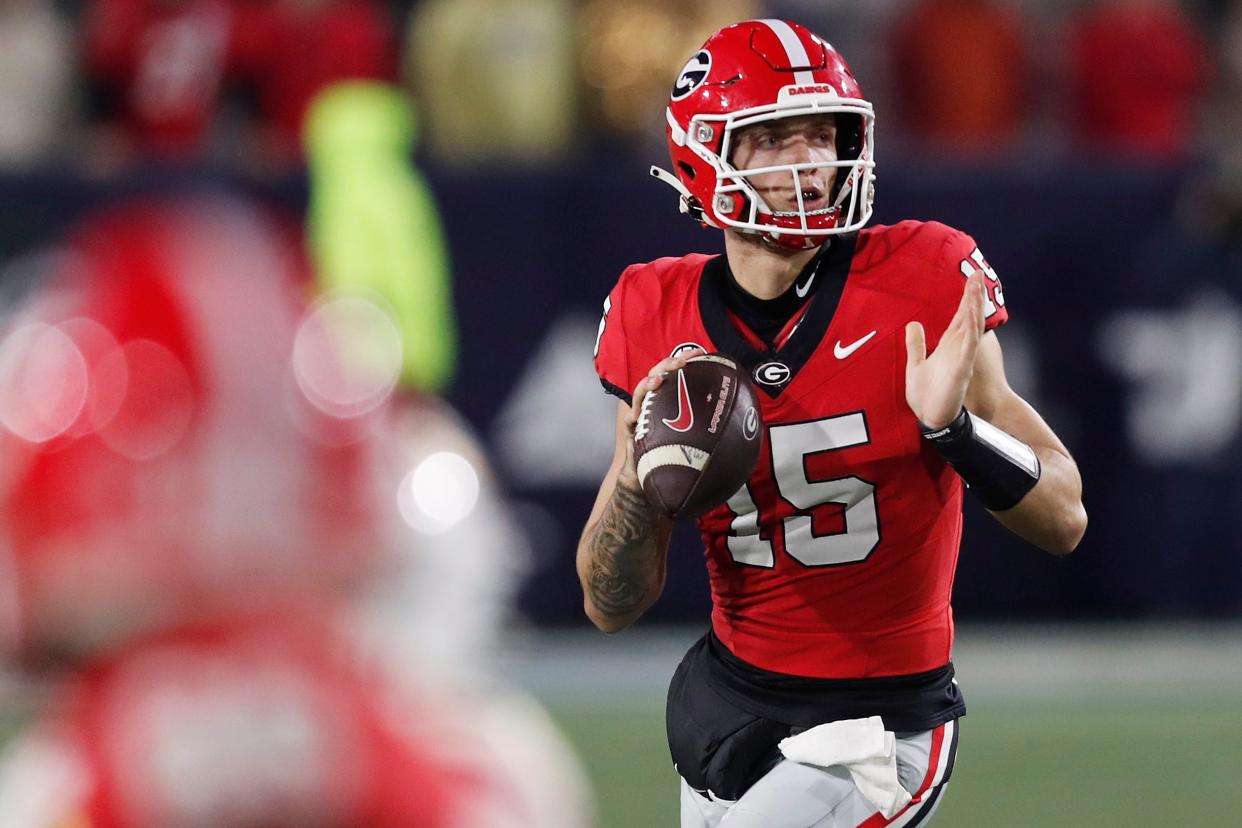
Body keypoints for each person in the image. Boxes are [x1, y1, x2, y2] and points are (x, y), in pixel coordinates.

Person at [579, 19, 1087, 827]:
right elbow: (610, 603)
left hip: (880, 728)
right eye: (776, 138)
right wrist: (646, 481)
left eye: (826, 135)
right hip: (731, 702)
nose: (811, 161)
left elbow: (1064, 515)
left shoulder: (923, 276)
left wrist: (956, 432)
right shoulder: (654, 307)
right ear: (703, 151)